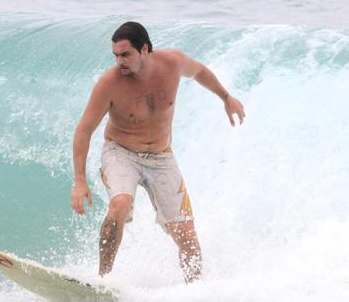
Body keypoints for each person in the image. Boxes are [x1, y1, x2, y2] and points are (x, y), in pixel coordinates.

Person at [70, 22, 245, 283]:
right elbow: (84, 131)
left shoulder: (172, 63)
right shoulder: (109, 84)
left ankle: (195, 290)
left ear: (145, 49)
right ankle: (101, 280)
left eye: (126, 54)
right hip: (121, 152)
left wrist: (226, 97)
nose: (120, 61)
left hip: (161, 157)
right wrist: (80, 181)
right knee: (120, 204)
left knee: (185, 233)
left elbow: (199, 72)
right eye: (116, 56)